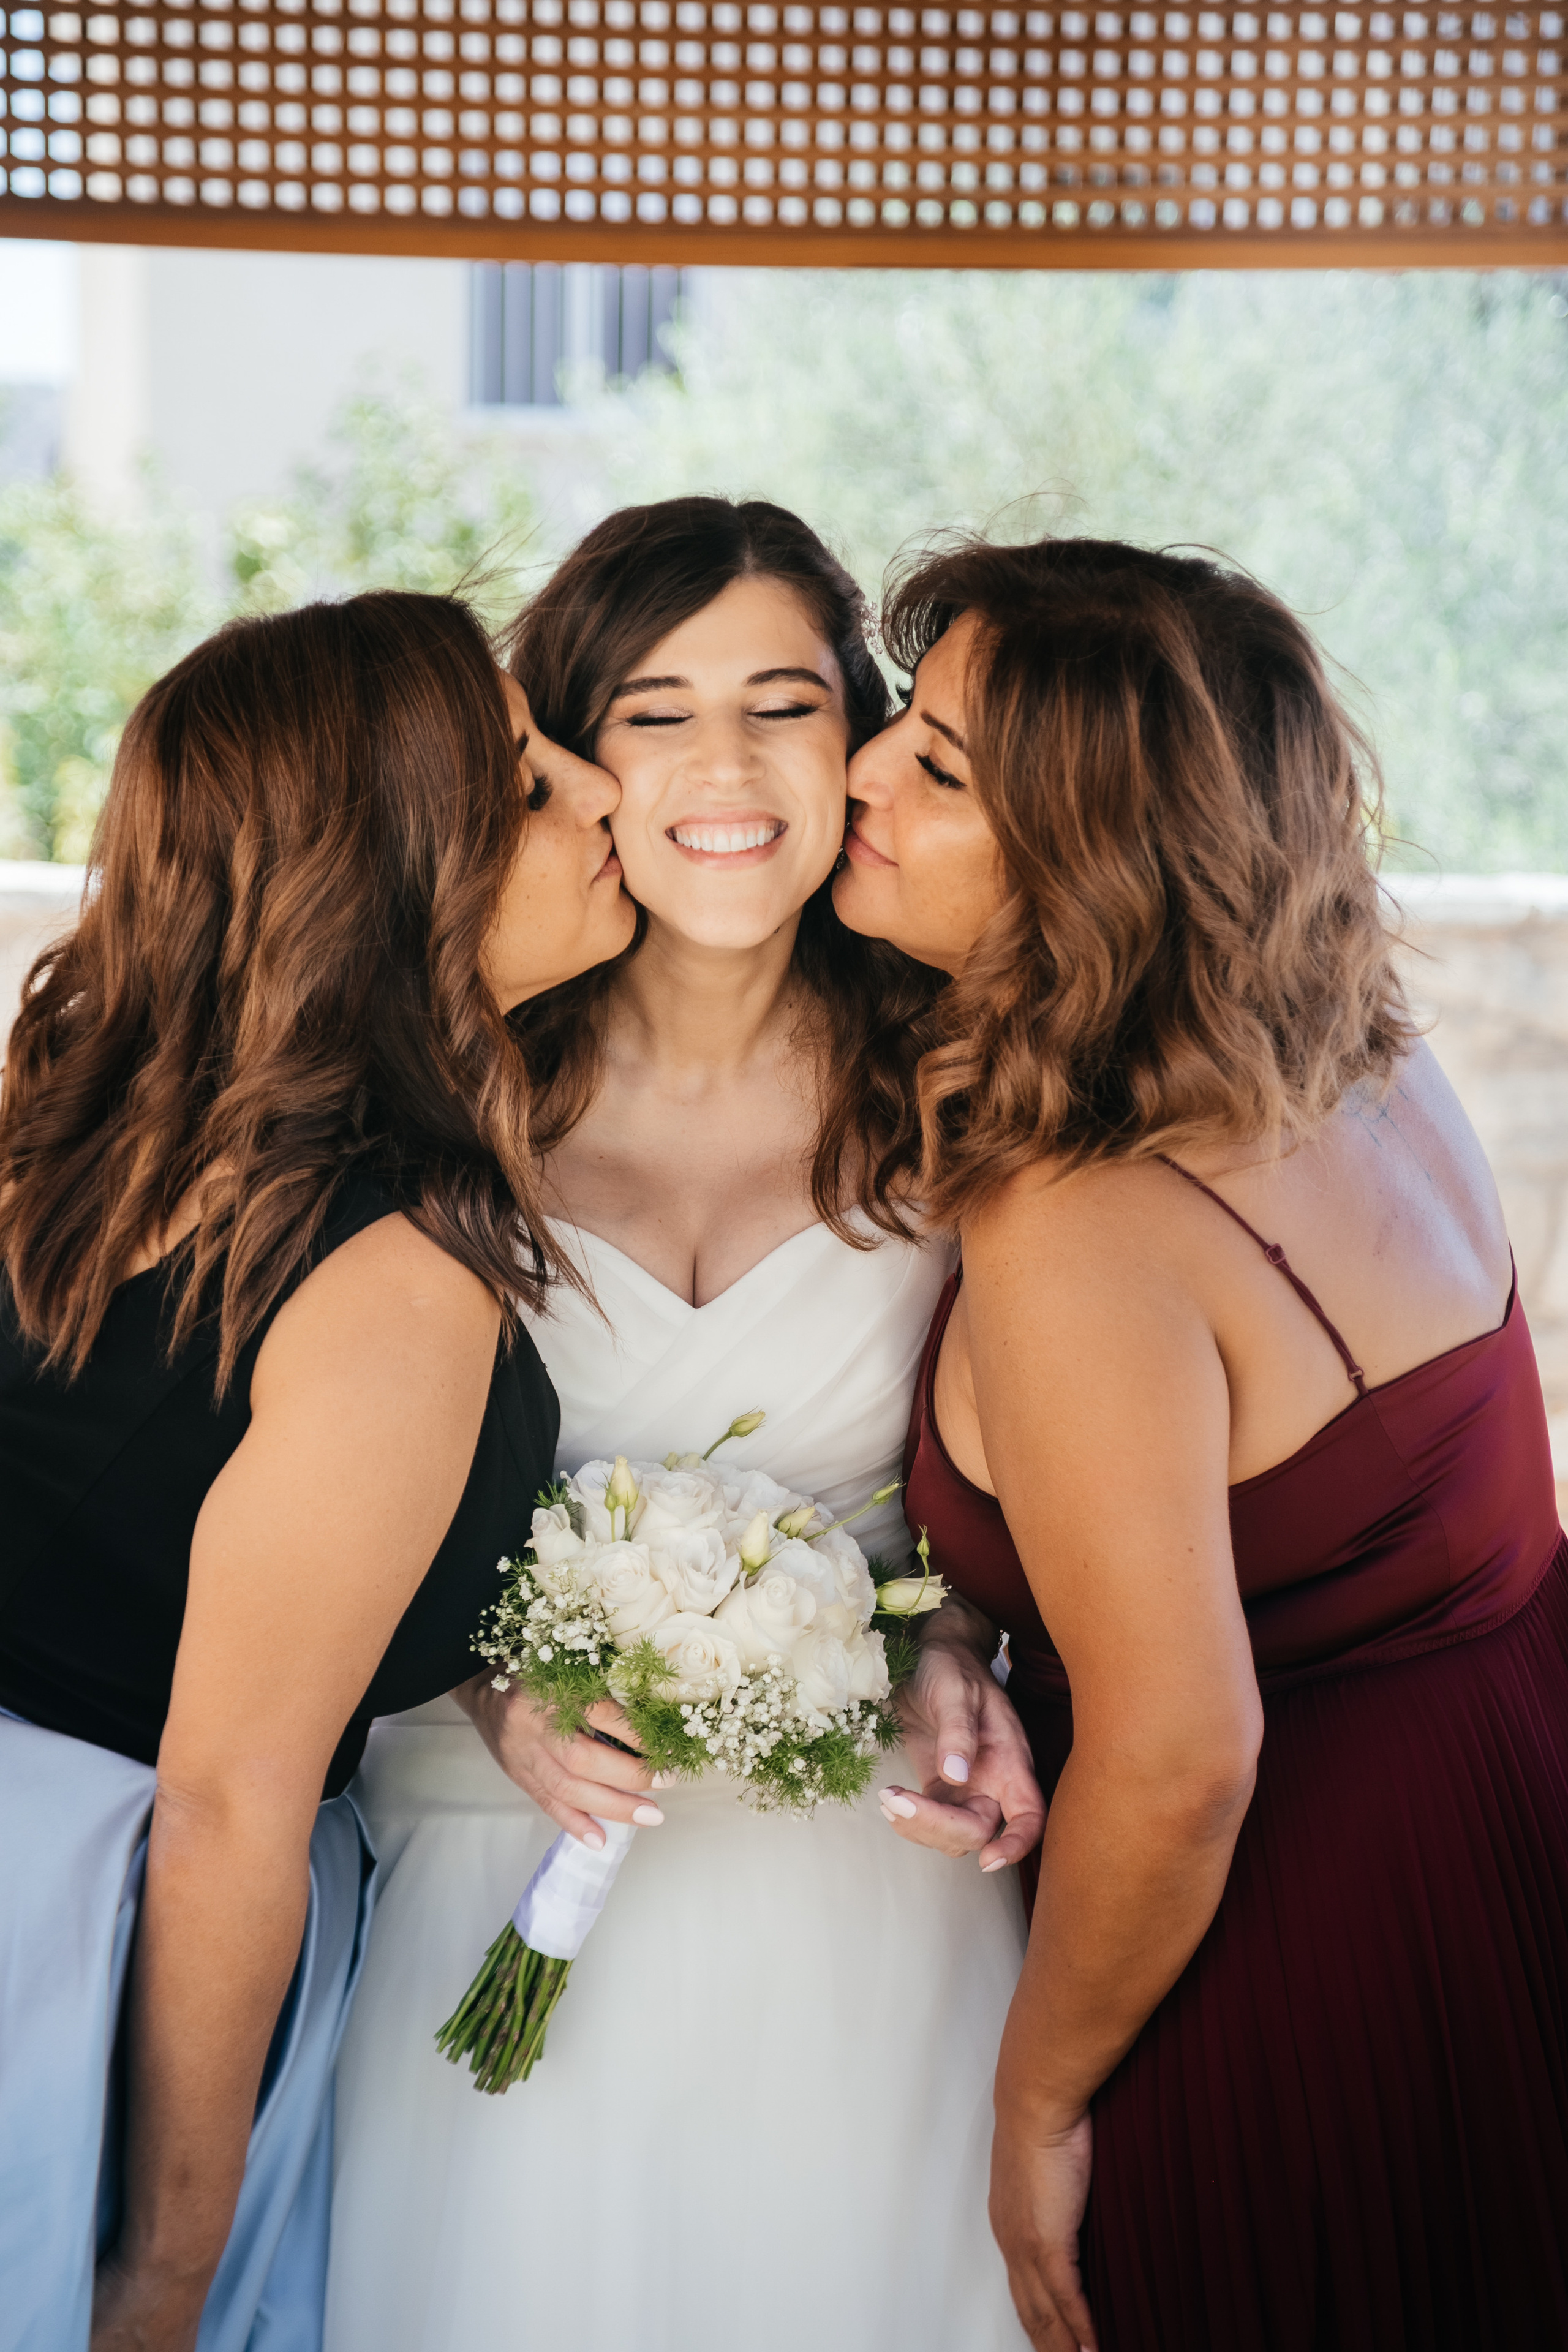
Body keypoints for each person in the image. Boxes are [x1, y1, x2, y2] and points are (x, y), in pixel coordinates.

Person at [834, 532, 1568, 2352]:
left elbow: (1177, 1760)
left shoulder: (1085, 1218)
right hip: (1506, 1808)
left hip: (1294, 1933)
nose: (859, 769)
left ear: (1091, 861)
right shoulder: (1357, 1049)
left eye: (933, 766)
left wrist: (1031, 2108)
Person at [325, 500, 1038, 2352]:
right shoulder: (440, 1091)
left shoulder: (977, 1085)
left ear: (860, 742)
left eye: (783, 702)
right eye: (654, 712)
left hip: (871, 1881)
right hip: (500, 1845)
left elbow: (1012, 1484)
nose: (723, 765)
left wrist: (956, 1635)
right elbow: (323, 1509)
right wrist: (494, 1687)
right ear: (571, 757)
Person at [0, 590, 634, 2352]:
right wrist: (165, 2273)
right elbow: (225, 1816)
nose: (595, 798)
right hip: (84, 1957)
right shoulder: (387, 1284)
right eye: (523, 783)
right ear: (393, 868)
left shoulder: (82, 1113)